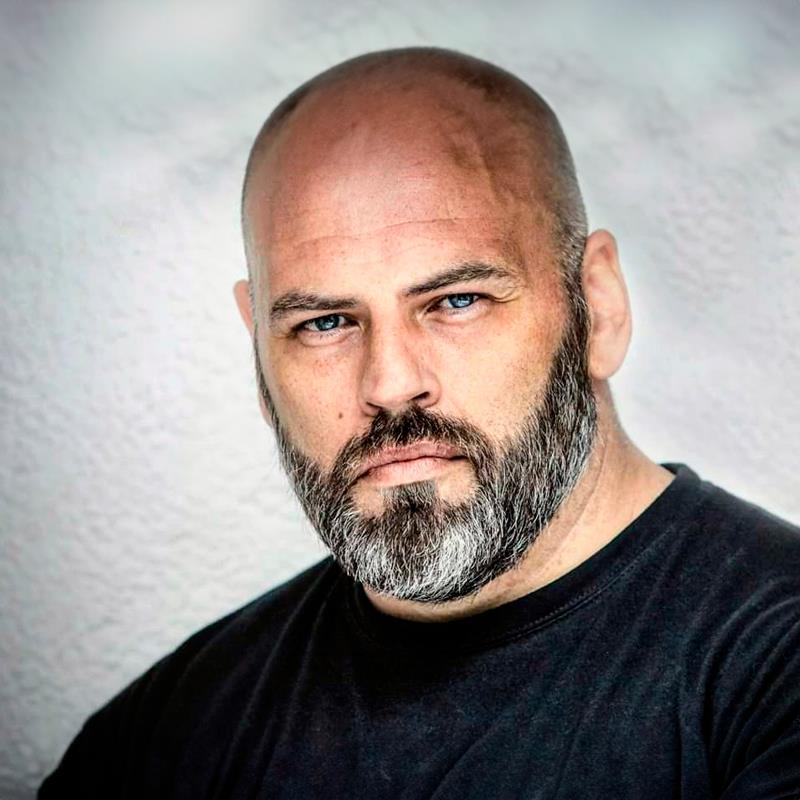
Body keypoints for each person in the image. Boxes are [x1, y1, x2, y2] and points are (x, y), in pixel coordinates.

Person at [39, 47, 800, 799]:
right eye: (325, 322)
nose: (390, 384)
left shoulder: (773, 666)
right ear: (259, 356)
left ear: (596, 308)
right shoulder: (163, 739)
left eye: (457, 301)